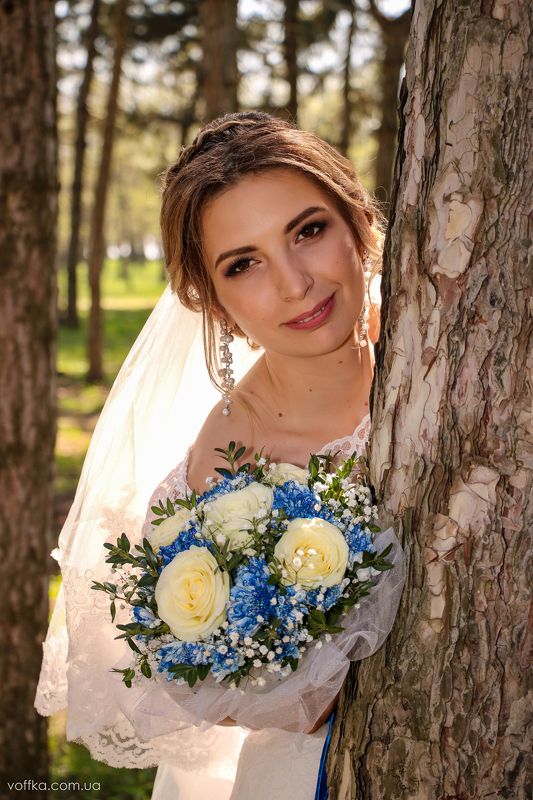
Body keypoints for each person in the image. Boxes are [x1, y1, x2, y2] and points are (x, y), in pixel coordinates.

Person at [35, 111, 404, 799]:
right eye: (244, 264)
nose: (294, 283)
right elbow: (204, 678)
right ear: (214, 301)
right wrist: (295, 679)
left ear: (358, 222)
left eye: (308, 230)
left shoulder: (448, 343)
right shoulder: (226, 464)